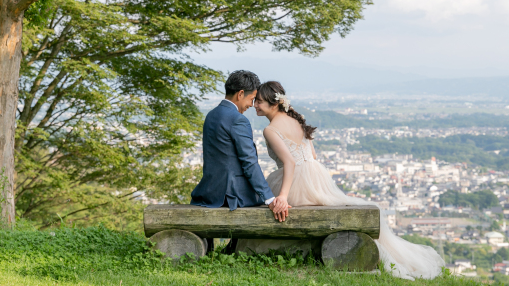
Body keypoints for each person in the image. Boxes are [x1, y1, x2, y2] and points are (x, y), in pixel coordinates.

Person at [254, 80, 445, 280]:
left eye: (259, 101)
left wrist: (283, 196)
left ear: (274, 103)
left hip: (294, 179)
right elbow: (313, 155)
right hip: (315, 175)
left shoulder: (271, 129)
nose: (255, 105)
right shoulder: (298, 118)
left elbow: (290, 163)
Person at [190, 70, 290, 225]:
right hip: (232, 195)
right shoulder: (238, 120)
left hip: (209, 192)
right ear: (240, 94)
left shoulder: (211, 115)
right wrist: (269, 199)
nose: (251, 105)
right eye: (251, 99)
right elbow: (249, 162)